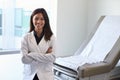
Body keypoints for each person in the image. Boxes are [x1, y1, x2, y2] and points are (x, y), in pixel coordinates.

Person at [21, 8, 56, 80]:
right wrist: (45, 55)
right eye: (36, 18)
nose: (39, 21)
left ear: (45, 21)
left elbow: (52, 58)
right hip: (30, 76)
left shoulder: (52, 37)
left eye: (42, 19)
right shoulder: (26, 38)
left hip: (45, 76)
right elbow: (24, 59)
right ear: (32, 20)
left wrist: (31, 54)